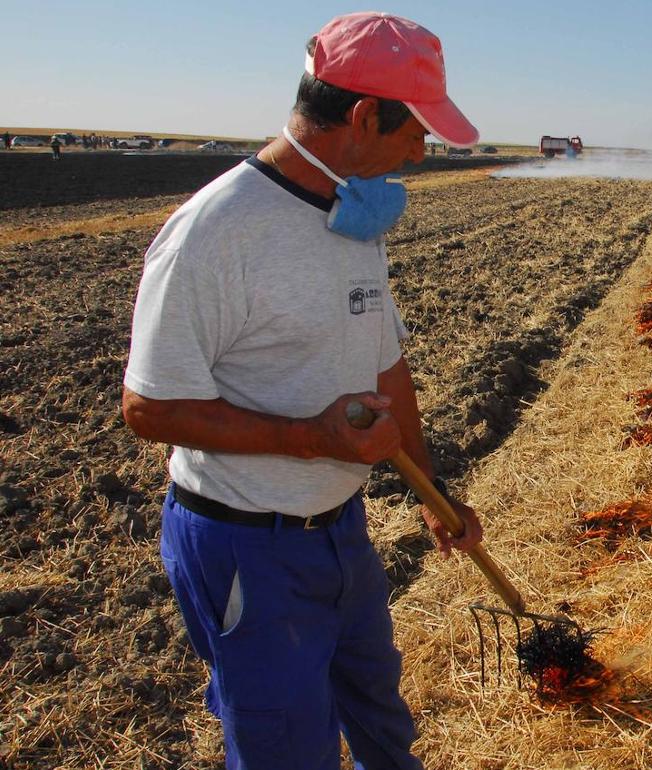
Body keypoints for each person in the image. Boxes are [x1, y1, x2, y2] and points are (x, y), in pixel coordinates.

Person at [121, 12, 484, 770]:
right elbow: (148, 408)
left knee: (381, 717)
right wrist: (310, 439)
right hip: (248, 545)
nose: (420, 154)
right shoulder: (216, 234)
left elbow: (385, 369)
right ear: (360, 115)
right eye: (415, 132)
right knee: (288, 748)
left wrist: (433, 491)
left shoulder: (350, 217)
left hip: (339, 531)